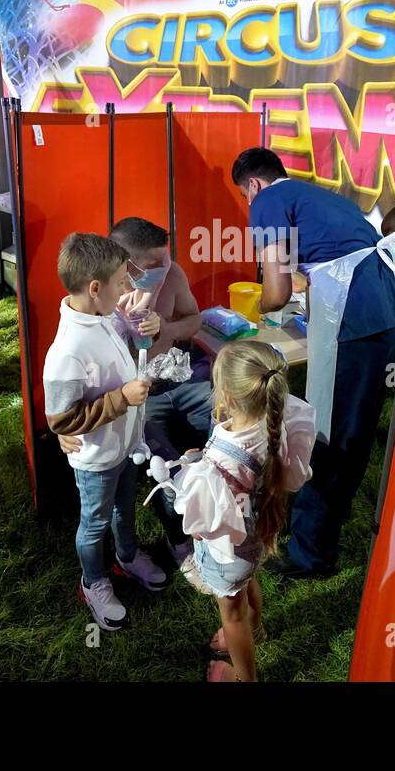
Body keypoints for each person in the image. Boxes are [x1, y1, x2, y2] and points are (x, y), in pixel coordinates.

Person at [232, 148, 395, 579]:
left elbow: (275, 292)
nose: (249, 202)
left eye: (245, 194)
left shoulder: (267, 201)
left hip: (353, 322)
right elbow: (324, 265)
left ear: (253, 185)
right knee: (352, 431)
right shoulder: (316, 197)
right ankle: (323, 522)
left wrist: (259, 312)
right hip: (384, 315)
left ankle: (310, 554)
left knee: (327, 437)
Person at [148, 340, 316, 681]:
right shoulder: (273, 424)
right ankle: (255, 627)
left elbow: (201, 528)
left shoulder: (221, 459)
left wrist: (191, 475)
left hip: (228, 553)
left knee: (232, 613)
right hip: (256, 536)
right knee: (247, 581)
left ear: (225, 397)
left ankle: (242, 675)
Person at [59, 217, 214, 566]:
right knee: (164, 463)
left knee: (225, 427)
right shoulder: (97, 299)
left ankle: (230, 515)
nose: (163, 266)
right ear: (123, 263)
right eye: (153, 263)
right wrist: (62, 423)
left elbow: (194, 319)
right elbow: (70, 367)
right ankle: (180, 542)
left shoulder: (171, 275)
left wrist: (166, 328)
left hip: (179, 378)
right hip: (138, 399)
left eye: (164, 258)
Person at [44, 232, 168, 631]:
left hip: (124, 446)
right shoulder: (67, 351)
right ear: (95, 288)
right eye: (119, 282)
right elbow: (61, 420)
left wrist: (150, 328)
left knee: (124, 506)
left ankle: (127, 557)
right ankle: (92, 581)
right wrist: (122, 399)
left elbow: (134, 340)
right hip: (96, 458)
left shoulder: (103, 316)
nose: (127, 289)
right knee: (95, 523)